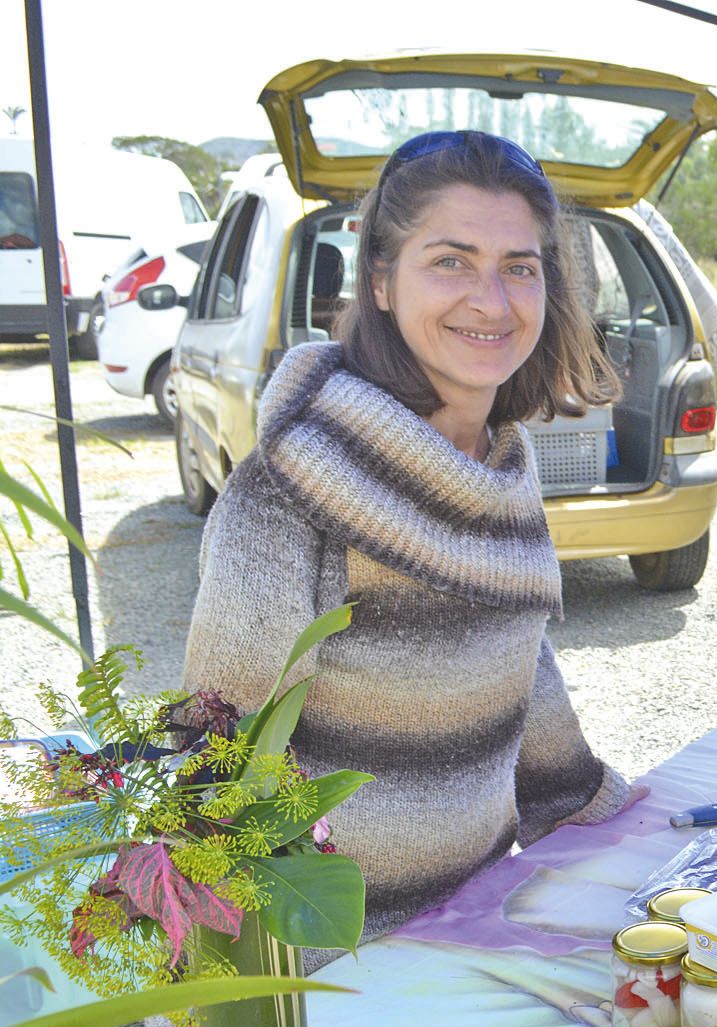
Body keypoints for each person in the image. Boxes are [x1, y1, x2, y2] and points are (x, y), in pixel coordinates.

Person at [181, 130, 641, 943]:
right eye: (450, 261)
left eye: (519, 267)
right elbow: (217, 764)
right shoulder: (294, 488)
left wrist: (596, 809)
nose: (492, 301)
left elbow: (511, 654)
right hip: (344, 969)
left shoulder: (501, 456)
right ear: (382, 278)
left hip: (477, 920)